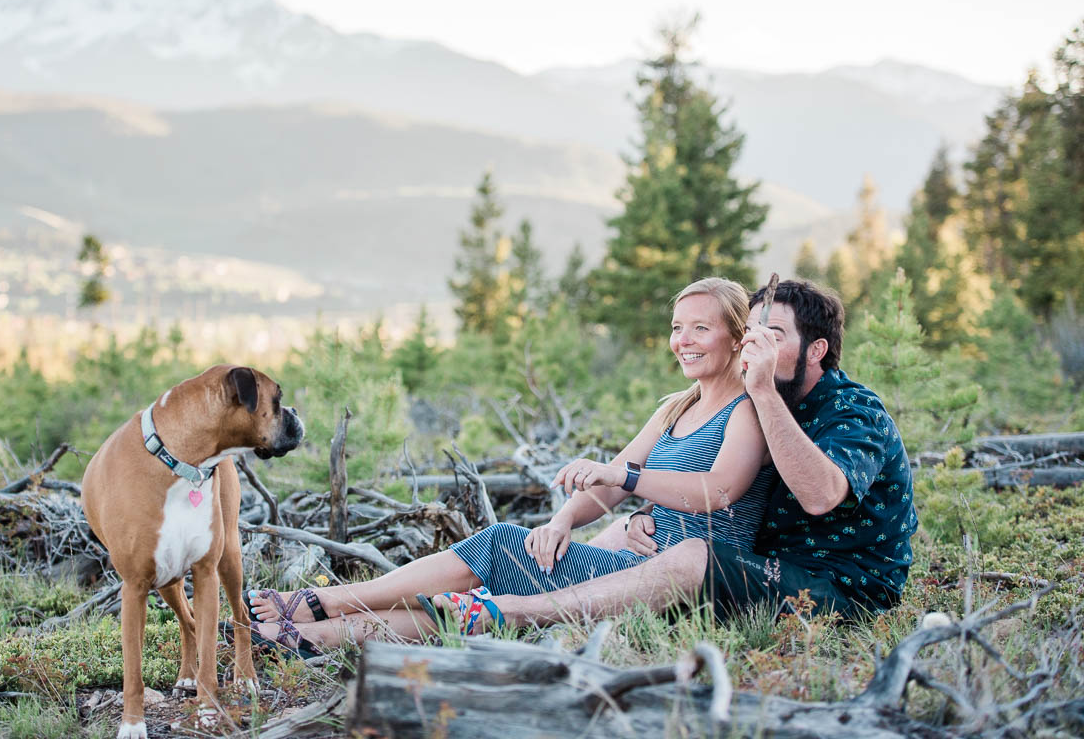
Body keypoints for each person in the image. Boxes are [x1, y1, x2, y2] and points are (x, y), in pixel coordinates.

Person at [245, 277, 775, 648]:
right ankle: (318, 636)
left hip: (691, 587)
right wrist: (562, 521)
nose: (682, 341)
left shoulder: (746, 411)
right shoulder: (675, 407)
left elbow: (718, 492)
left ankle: (327, 602)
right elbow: (606, 490)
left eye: (699, 329)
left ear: (736, 337)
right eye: (677, 327)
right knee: (492, 585)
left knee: (501, 546)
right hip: (639, 566)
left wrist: (626, 477)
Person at [413, 279, 917, 632]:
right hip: (758, 569)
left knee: (691, 556)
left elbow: (819, 496)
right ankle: (344, 619)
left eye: (775, 336)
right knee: (602, 537)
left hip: (841, 593)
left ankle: (514, 612)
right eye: (754, 334)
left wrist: (759, 389)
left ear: (816, 351)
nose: (756, 345)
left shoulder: (852, 410)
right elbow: (729, 487)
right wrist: (647, 512)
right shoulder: (760, 402)